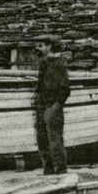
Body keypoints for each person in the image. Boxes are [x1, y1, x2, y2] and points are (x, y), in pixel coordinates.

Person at [32, 34, 70, 174]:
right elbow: (41, 84)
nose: (38, 49)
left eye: (41, 46)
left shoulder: (58, 64)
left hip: (53, 106)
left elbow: (65, 89)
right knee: (42, 139)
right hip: (41, 106)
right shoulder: (44, 63)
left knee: (54, 140)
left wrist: (56, 106)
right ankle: (48, 169)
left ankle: (60, 170)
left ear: (49, 47)